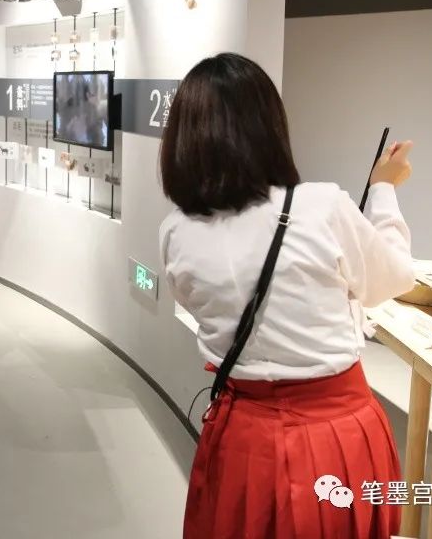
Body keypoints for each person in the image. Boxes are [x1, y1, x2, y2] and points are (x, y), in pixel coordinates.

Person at [158, 53, 415, 539]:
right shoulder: (322, 206)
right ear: (268, 129)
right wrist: (382, 190)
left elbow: (199, 305)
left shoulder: (175, 231)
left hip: (239, 435)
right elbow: (393, 278)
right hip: (336, 434)